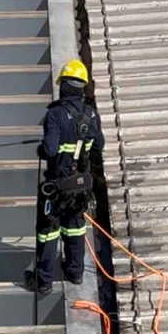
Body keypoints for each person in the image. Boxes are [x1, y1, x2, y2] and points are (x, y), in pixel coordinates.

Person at [23, 59, 105, 295]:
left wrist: (41, 149)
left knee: (48, 231)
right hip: (80, 186)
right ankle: (75, 272)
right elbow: (98, 145)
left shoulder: (56, 114)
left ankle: (44, 281)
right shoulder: (92, 114)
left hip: (57, 186)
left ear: (64, 86)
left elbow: (49, 150)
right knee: (75, 227)